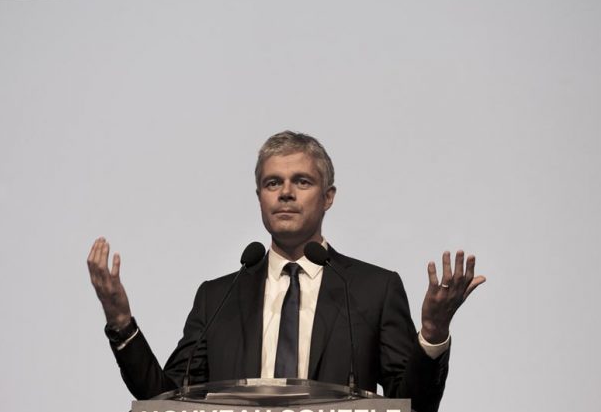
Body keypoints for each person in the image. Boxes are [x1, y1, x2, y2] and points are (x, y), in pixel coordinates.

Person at [86, 131, 485, 412]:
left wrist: (432, 335)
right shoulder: (218, 297)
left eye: (302, 181)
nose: (286, 192)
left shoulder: (372, 289)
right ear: (259, 196)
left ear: (328, 197)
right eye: (272, 182)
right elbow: (165, 400)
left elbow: (411, 404)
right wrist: (121, 323)